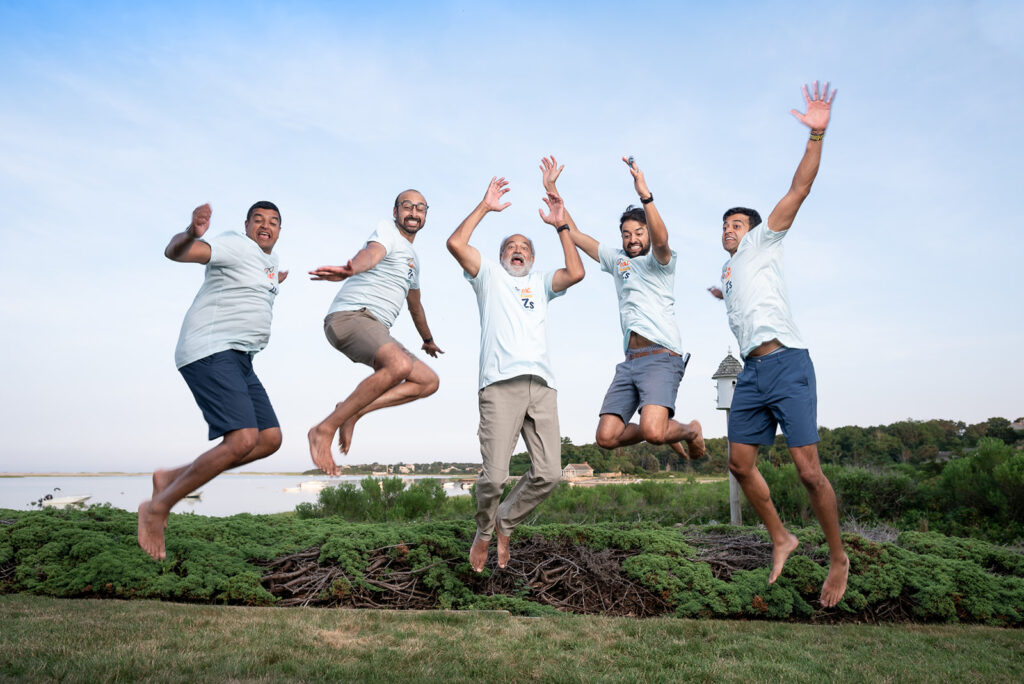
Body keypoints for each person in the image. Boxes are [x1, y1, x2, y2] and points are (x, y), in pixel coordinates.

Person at [709, 81, 849, 608]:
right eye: (724, 225)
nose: (729, 229)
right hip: (751, 373)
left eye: (736, 223)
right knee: (740, 463)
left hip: (787, 361)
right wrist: (721, 289)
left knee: (808, 470)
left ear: (752, 229)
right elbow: (737, 294)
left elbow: (798, 188)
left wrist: (815, 133)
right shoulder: (729, 268)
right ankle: (782, 538)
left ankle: (838, 557)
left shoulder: (765, 240)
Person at [447, 175, 584, 572]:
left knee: (549, 474)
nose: (517, 250)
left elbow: (575, 272)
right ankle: (484, 531)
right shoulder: (488, 276)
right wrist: (485, 206)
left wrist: (561, 225)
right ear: (501, 255)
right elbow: (456, 244)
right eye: (511, 246)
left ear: (532, 259)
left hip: (542, 387)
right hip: (499, 385)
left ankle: (505, 523)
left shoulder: (541, 284)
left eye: (524, 247)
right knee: (493, 478)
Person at [139, 201, 287, 561]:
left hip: (240, 358)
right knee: (242, 439)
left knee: (269, 439)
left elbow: (255, 283)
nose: (265, 226)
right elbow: (177, 252)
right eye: (258, 220)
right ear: (247, 225)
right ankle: (156, 508)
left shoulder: (270, 261)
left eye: (274, 222)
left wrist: (276, 279)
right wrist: (191, 233)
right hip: (210, 348)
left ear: (279, 231)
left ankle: (170, 477)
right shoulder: (234, 243)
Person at [541, 155, 705, 461]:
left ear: (648, 234)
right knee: (606, 437)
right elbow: (578, 238)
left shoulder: (661, 263)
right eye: (626, 234)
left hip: (661, 356)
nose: (632, 239)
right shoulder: (618, 261)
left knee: (655, 433)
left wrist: (646, 195)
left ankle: (690, 430)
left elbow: (662, 239)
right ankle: (661, 425)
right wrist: (554, 196)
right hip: (630, 361)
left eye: (639, 233)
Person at [307, 190, 442, 476]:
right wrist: (350, 269)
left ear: (426, 215)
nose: (414, 213)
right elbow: (370, 254)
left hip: (375, 327)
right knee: (399, 365)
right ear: (395, 212)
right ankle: (324, 429)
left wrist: (427, 340)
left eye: (420, 208)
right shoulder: (386, 232)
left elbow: (415, 307)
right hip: (351, 316)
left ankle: (353, 410)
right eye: (407, 206)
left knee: (428, 381)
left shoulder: (413, 261)